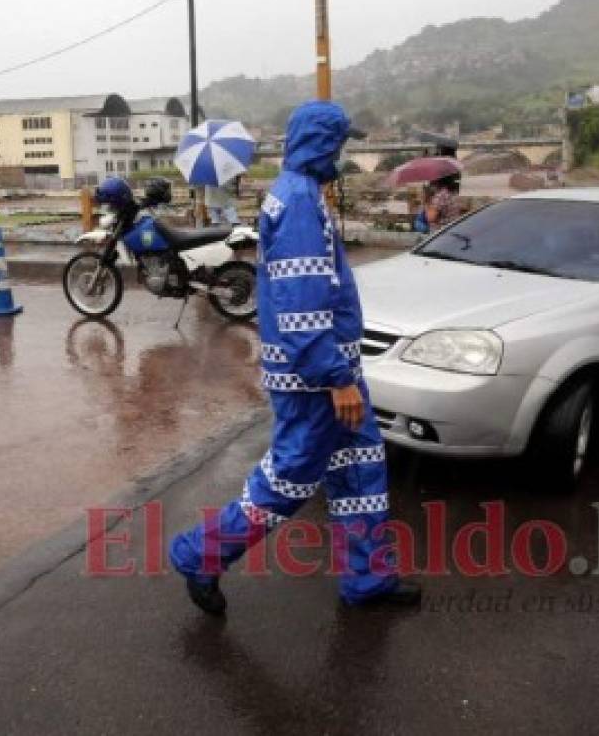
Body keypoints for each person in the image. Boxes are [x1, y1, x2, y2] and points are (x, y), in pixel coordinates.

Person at [169, 100, 422, 614]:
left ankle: (368, 579)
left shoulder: (297, 194)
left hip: (329, 372)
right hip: (317, 381)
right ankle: (200, 555)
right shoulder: (301, 202)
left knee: (358, 472)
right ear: (324, 144)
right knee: (287, 480)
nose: (342, 153)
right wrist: (336, 378)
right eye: (340, 143)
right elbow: (301, 303)